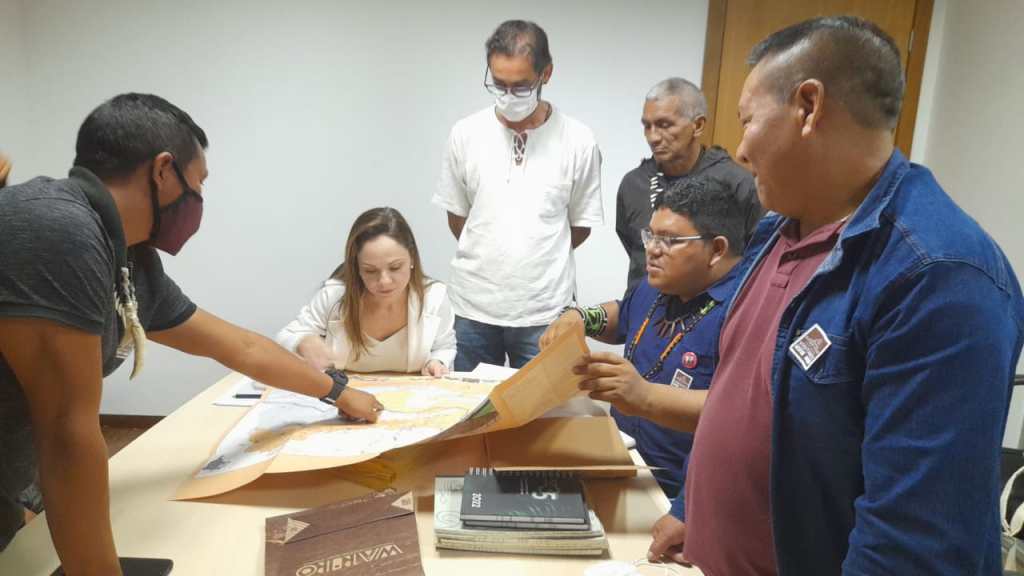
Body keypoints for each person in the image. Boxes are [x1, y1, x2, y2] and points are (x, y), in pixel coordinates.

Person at [648, 17, 1024, 574]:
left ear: (808, 106)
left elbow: (912, 546)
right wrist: (692, 505)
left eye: (748, 122)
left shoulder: (939, 275)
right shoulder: (779, 228)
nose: (741, 150)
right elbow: (741, 396)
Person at [0, 94, 382, 574]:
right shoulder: (57, 228)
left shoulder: (128, 260)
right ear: (163, 171)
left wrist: (337, 392)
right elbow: (66, 432)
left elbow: (241, 347)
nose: (199, 198)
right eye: (199, 181)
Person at [540, 175, 749, 512]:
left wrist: (645, 396)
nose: (652, 249)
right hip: (622, 463)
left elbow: (742, 412)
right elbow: (624, 315)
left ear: (717, 250)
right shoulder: (658, 285)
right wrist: (580, 317)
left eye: (669, 240)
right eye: (650, 236)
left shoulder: (748, 309)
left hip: (685, 497)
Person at [433, 19, 603, 372]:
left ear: (546, 74)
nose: (508, 96)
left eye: (521, 86)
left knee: (543, 405)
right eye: (499, 84)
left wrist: (534, 256)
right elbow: (458, 217)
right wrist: (493, 250)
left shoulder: (578, 140)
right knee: (465, 403)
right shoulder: (466, 133)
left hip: (545, 310)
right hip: (471, 307)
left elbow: (580, 226)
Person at [616, 77, 762, 290]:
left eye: (664, 125)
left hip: (713, 305)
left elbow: (757, 260)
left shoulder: (737, 184)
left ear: (698, 125)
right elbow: (634, 248)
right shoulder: (633, 184)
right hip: (642, 304)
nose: (653, 137)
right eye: (647, 126)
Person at [276, 207, 456, 375]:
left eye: (395, 267)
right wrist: (302, 342)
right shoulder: (335, 297)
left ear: (412, 259)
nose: (384, 281)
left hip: (414, 396)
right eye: (370, 271)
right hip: (346, 396)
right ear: (357, 268)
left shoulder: (434, 297)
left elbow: (444, 346)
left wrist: (437, 361)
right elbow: (285, 337)